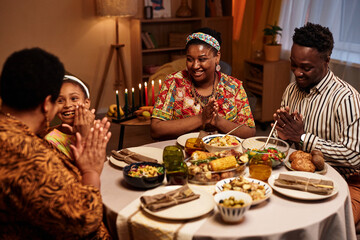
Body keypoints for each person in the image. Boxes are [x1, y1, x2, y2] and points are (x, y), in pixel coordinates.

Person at [0, 48, 112, 239]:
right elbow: (85, 221)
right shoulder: (27, 155)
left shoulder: (12, 129)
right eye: (58, 101)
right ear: (46, 104)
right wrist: (90, 171)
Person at [273, 23, 360, 224]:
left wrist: (302, 138)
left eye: (306, 67)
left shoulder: (346, 98)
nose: (297, 73)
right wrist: (282, 134)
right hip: (302, 175)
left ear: (326, 61)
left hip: (349, 181)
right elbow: (287, 142)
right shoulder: (291, 90)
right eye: (293, 64)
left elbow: (354, 156)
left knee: (322, 224)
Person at [151, 27, 256, 140]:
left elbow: (249, 131)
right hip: (182, 153)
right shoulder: (174, 82)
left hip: (223, 153)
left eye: (202, 59)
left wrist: (218, 121)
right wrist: (201, 118)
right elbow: (156, 129)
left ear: (217, 57)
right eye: (190, 59)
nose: (195, 66)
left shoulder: (233, 86)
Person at [45, 74, 95, 160]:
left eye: (74, 98)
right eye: (60, 100)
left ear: (86, 103)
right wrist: (83, 136)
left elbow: (101, 162)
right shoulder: (51, 141)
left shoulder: (95, 127)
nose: (67, 105)